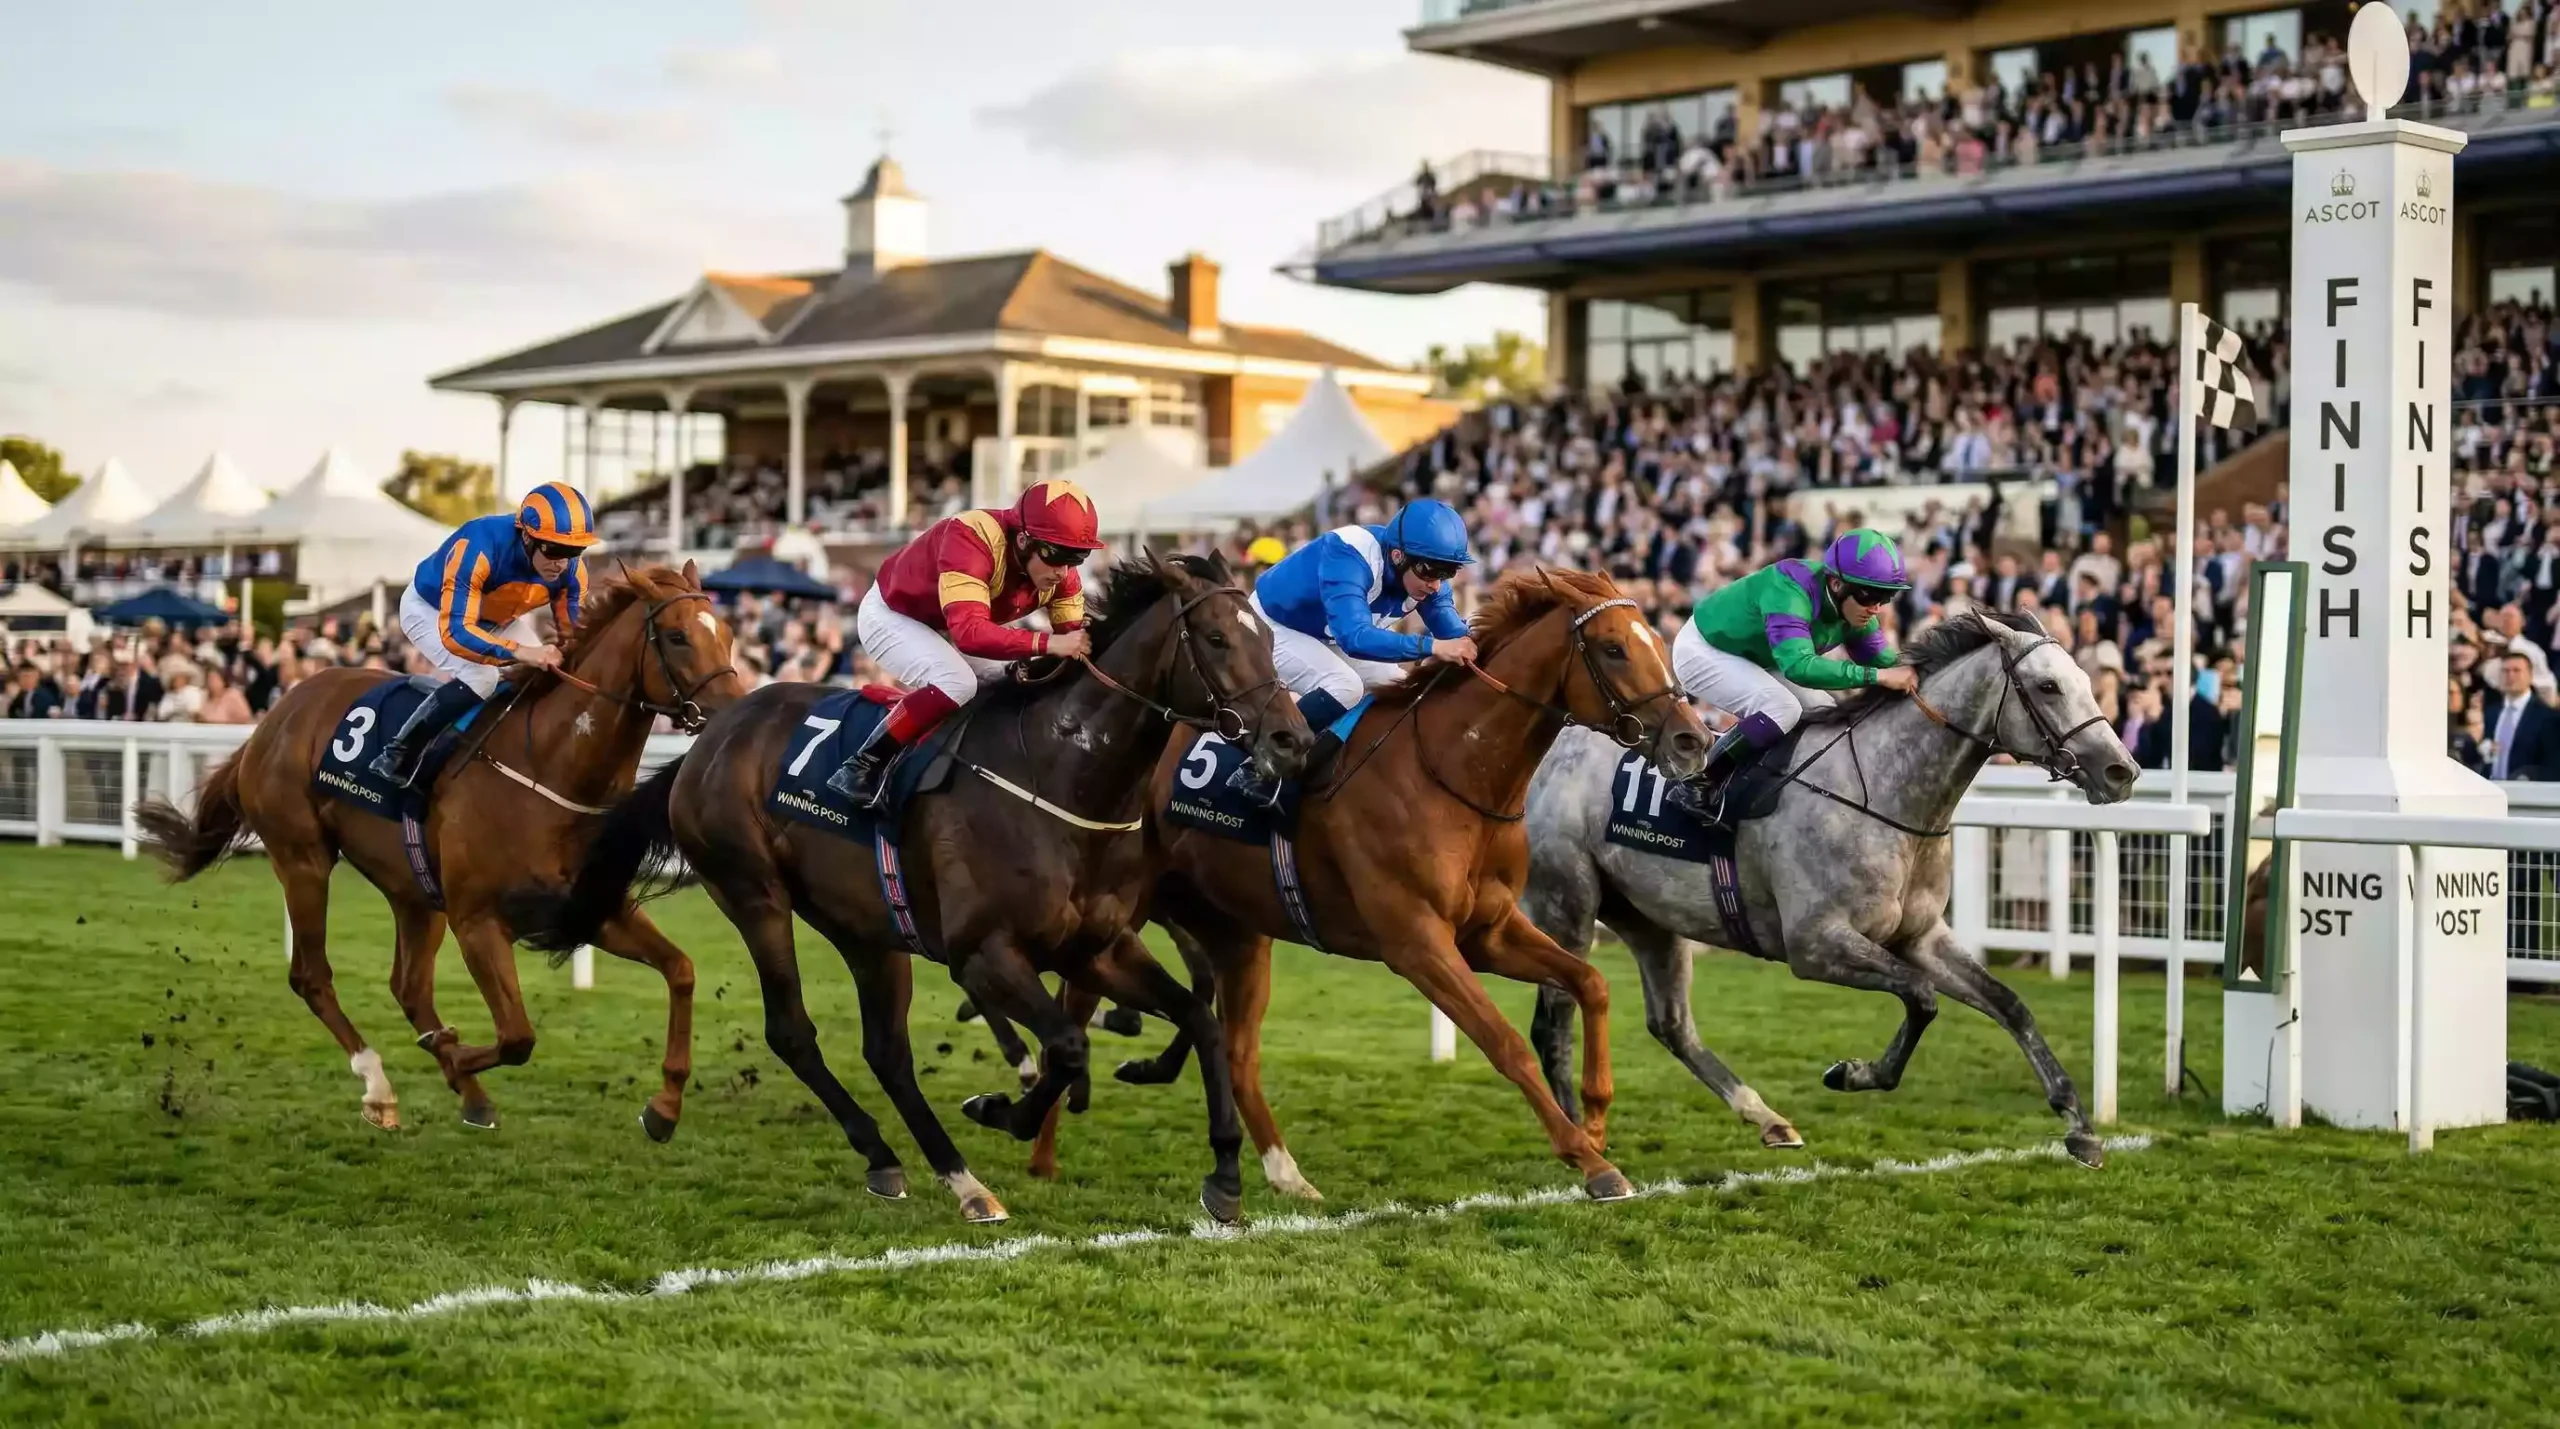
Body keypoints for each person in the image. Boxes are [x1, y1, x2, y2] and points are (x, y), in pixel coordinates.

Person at [826, 479, 1101, 805]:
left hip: (944, 623)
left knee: (1017, 676)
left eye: (1077, 557)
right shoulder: (973, 536)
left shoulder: (1063, 575)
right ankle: (863, 765)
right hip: (892, 613)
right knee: (957, 683)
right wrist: (1049, 644)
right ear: (1025, 540)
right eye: (1057, 554)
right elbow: (969, 634)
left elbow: (1078, 645)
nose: (1064, 571)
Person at [1231, 498, 1478, 800]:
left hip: (1326, 635)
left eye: (1447, 572)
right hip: (1272, 626)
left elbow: (1457, 634)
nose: (1437, 585)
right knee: (1345, 686)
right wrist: (1432, 647)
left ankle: (1348, 767)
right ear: (1399, 555)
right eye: (1430, 571)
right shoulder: (1350, 553)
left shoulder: (1426, 578)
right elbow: (1355, 638)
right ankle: (1259, 766)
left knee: (1401, 687)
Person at [1670, 527, 1920, 819]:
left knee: (1825, 714)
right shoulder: (1789, 589)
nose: (1876, 608)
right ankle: (1695, 784)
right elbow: (1799, 667)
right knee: (1783, 708)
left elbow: (1887, 661)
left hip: (1758, 657)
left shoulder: (1858, 609)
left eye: (1886, 597)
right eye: (1871, 596)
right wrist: (1875, 677)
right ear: (1838, 584)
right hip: (1704, 650)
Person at [371, 482, 596, 786]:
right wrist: (519, 651)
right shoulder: (478, 546)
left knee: (551, 671)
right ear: (527, 537)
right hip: (432, 611)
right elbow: (457, 633)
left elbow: (573, 642)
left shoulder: (572, 572)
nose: (562, 562)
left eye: (574, 551)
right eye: (554, 549)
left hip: (495, 618)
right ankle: (398, 752)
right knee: (482, 678)